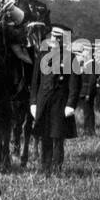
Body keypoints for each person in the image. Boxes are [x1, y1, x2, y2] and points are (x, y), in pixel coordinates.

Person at [30, 23, 79, 176]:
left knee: (57, 137)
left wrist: (71, 104)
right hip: (44, 101)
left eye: (59, 38)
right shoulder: (42, 55)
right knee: (45, 136)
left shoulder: (71, 58)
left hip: (60, 103)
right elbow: (35, 82)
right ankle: (45, 168)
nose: (55, 40)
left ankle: (57, 168)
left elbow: (74, 84)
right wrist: (33, 102)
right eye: (53, 37)